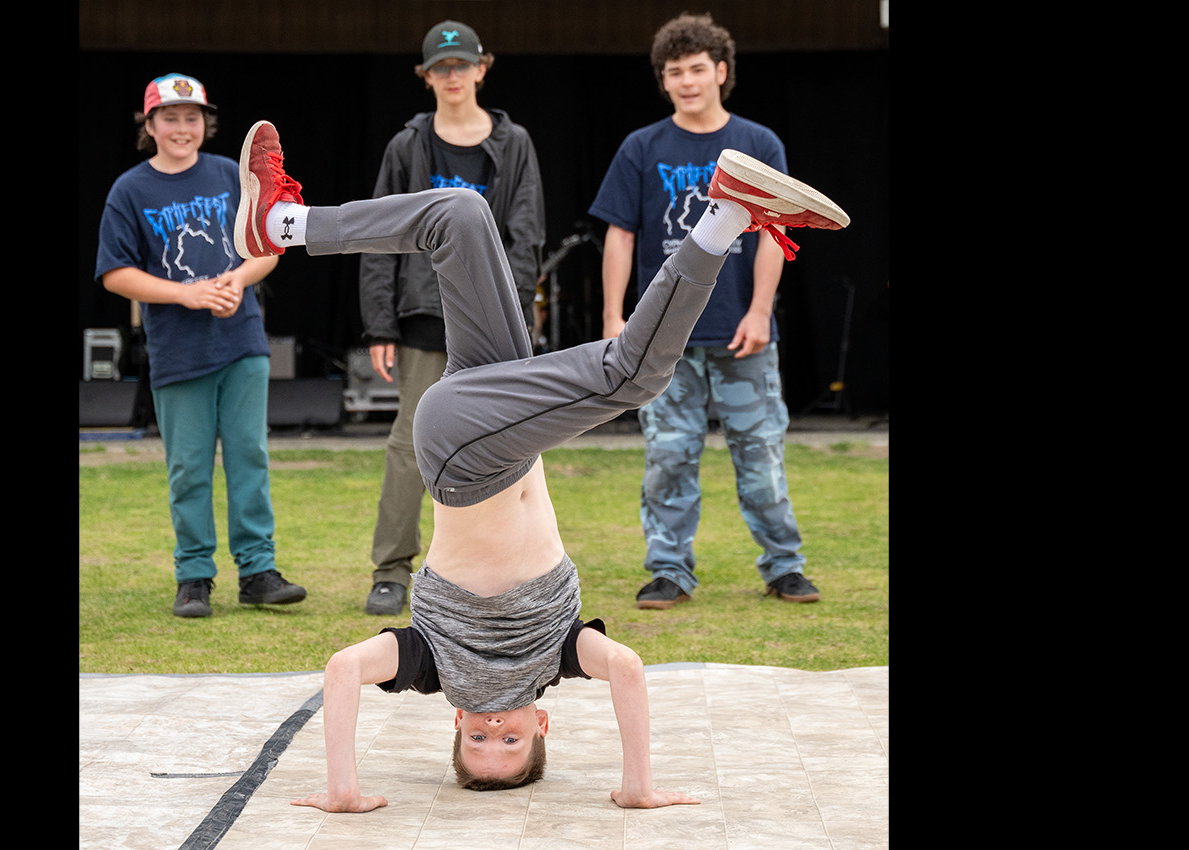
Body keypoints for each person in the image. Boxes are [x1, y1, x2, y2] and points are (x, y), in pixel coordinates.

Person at [233, 120, 846, 809]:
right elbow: (629, 670)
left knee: (631, 376)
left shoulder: (431, 666)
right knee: (458, 214)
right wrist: (636, 784)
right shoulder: (560, 656)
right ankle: (281, 223)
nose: (495, 730)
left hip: (463, 457)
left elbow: (344, 670)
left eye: (478, 742)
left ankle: (727, 212)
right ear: (542, 723)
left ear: (457, 722)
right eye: (512, 743)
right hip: (493, 425)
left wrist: (344, 791)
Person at [588, 13, 821, 610]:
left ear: (721, 71)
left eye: (697, 69)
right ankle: (668, 570)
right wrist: (616, 317)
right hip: (664, 337)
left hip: (741, 332)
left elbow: (775, 234)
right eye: (674, 72)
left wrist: (761, 310)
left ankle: (785, 566)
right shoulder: (641, 147)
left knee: (762, 454)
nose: (687, 81)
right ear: (663, 81)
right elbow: (620, 235)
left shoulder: (758, 144)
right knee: (669, 455)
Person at [94, 73, 308, 618]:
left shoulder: (228, 174)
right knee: (188, 467)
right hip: (178, 352)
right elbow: (116, 273)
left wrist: (238, 280)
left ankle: (258, 571)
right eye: (170, 117)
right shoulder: (130, 190)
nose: (182, 127)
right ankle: (194, 576)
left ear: (205, 122)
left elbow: (269, 244)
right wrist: (186, 294)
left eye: (192, 117)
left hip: (241, 342)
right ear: (150, 125)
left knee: (250, 458)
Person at [357, 20, 546, 617]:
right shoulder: (406, 147)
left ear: (481, 69)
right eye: (442, 68)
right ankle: (391, 570)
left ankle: (516, 572)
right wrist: (380, 323)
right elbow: (376, 235)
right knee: (409, 446)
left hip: (490, 322)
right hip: (421, 316)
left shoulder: (514, 144)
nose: (453, 75)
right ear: (427, 77)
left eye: (462, 65)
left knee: (511, 448)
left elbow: (526, 235)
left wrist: (508, 312)